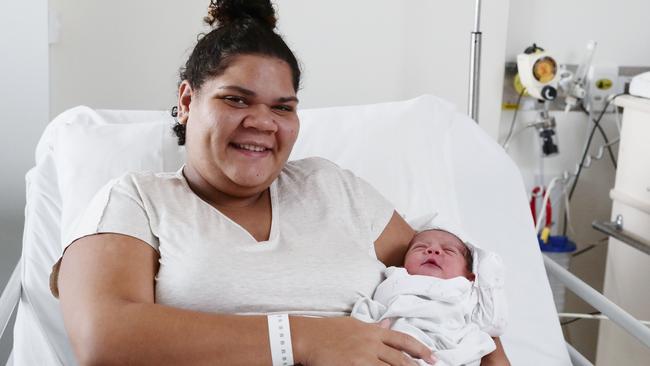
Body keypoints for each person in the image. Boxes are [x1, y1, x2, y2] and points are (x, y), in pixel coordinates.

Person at [52, 0, 510, 364]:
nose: (262, 122)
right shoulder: (137, 200)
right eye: (236, 99)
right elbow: (104, 336)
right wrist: (306, 338)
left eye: (282, 107)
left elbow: (452, 296)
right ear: (188, 100)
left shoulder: (334, 188)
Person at [352, 227, 508, 366]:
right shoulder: (396, 277)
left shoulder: (466, 290)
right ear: (403, 263)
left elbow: (495, 324)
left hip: (448, 349)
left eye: (448, 250)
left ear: (470, 276)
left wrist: (485, 261)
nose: (433, 250)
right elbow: (377, 308)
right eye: (420, 247)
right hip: (399, 344)